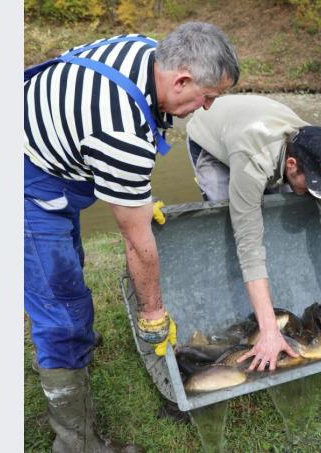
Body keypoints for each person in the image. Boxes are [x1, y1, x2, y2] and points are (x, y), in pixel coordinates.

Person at [24, 22, 239, 451]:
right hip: (22, 175)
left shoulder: (147, 51)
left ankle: (76, 340)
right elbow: (136, 242)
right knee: (60, 307)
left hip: (47, 145)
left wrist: (137, 196)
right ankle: (76, 443)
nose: (208, 108)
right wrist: (153, 314)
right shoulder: (119, 129)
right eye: (207, 97)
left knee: (70, 264)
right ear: (181, 78)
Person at [185, 94, 321, 371]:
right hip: (213, 138)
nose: (317, 190)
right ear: (292, 165)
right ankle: (255, 310)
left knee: (281, 201)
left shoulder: (317, 152)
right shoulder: (253, 160)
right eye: (312, 183)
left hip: (260, 132)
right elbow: (250, 244)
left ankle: (265, 304)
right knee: (232, 217)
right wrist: (270, 331)